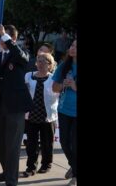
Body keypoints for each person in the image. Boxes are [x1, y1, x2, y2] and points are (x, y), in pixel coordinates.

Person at [0, 24, 33, 186]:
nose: (0, 40)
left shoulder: (19, 54)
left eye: (4, 37)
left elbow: (22, 57)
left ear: (12, 38)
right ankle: (6, 170)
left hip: (15, 107)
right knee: (1, 143)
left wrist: (6, 37)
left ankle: (11, 179)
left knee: (13, 145)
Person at [22, 52, 58, 177]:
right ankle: (31, 167)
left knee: (47, 143)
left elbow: (57, 94)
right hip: (31, 115)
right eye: (38, 61)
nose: (40, 63)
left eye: (43, 61)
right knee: (31, 144)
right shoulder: (28, 76)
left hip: (47, 116)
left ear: (50, 65)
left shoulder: (54, 78)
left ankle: (46, 164)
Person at [52, 39, 77, 186]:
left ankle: (75, 174)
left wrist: (75, 86)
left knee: (75, 143)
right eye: (72, 45)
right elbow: (54, 87)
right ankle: (74, 167)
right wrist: (62, 85)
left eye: (76, 46)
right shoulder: (64, 66)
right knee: (64, 143)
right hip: (64, 110)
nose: (73, 48)